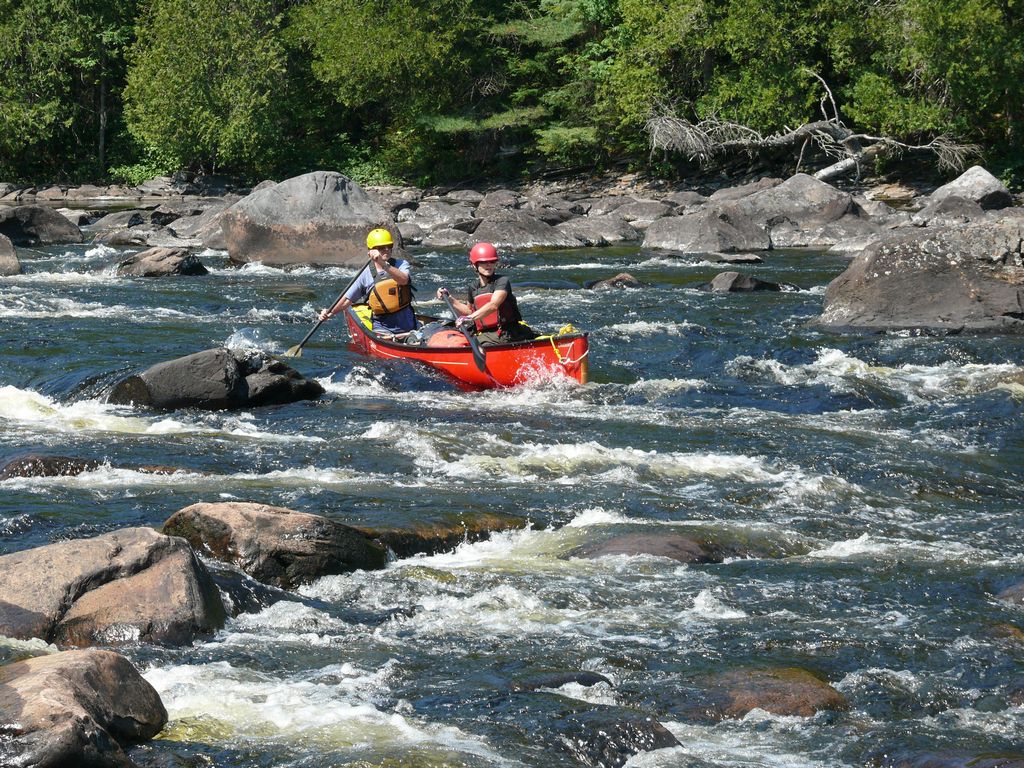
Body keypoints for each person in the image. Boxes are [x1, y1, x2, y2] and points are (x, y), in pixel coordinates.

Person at [318, 228, 416, 335]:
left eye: (389, 246)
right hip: (383, 328)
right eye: (382, 247)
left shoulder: (401, 264)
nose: (387, 249)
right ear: (370, 251)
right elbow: (347, 300)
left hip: (408, 325)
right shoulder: (365, 274)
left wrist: (384, 264)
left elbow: (404, 280)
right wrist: (330, 312)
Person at [436, 242, 537, 345]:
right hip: (486, 334)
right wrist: (449, 298)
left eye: (492, 261)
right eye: (484, 262)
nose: (489, 265)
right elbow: (469, 311)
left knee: (476, 343)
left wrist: (469, 318)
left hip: (508, 332)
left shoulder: (502, 281)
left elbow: (493, 305)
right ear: (474, 265)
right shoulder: (473, 287)